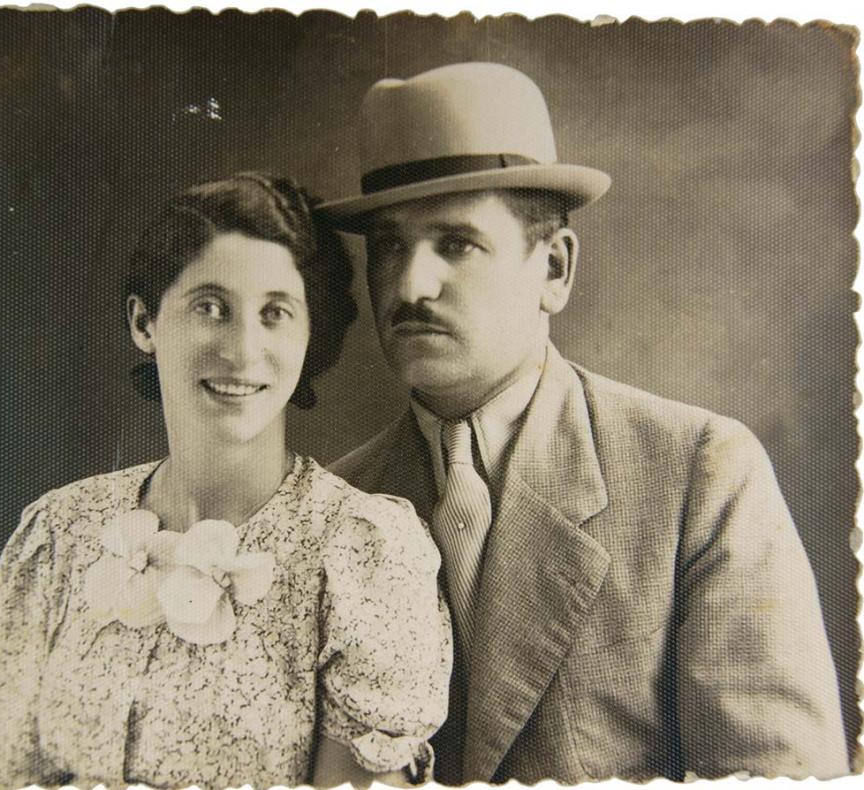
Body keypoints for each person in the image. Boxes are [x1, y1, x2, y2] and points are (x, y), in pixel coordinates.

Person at [321, 62, 848, 784]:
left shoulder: (699, 476)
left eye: (456, 243)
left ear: (556, 269)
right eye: (388, 247)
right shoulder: (334, 507)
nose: (410, 285)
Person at [0, 173, 451, 788]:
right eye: (210, 308)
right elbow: (12, 775)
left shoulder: (360, 552)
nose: (243, 351)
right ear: (144, 323)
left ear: (310, 337)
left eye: (275, 314)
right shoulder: (58, 535)